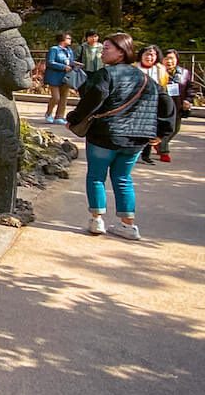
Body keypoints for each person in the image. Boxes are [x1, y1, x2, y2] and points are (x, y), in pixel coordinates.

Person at [67, 31, 175, 240]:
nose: (102, 52)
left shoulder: (106, 74)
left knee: (97, 176)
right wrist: (163, 131)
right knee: (123, 178)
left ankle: (97, 220)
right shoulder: (146, 79)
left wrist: (74, 117)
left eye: (106, 48)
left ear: (121, 52)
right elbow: (167, 102)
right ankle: (128, 226)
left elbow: (93, 99)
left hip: (105, 135)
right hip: (136, 139)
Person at [158, 50, 192, 161]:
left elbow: (190, 88)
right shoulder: (158, 72)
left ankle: (160, 143)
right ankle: (164, 151)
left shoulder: (185, 73)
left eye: (172, 58)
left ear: (176, 59)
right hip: (161, 106)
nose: (169, 61)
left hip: (177, 105)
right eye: (166, 58)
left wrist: (188, 100)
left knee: (175, 129)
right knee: (164, 128)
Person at [136, 45, 167, 162]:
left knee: (150, 129)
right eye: (147, 54)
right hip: (137, 102)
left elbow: (164, 86)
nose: (149, 57)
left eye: (152, 55)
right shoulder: (134, 67)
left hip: (154, 103)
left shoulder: (160, 69)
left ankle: (146, 154)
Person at [43, 31, 75, 124]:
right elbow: (50, 62)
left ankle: (59, 116)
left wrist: (75, 65)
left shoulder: (69, 50)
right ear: (62, 39)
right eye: (68, 38)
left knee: (64, 97)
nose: (70, 40)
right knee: (56, 97)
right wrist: (63, 67)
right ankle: (49, 113)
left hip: (66, 77)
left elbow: (71, 61)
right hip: (54, 76)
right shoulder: (54, 49)